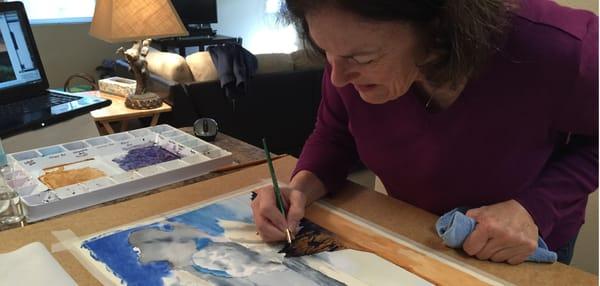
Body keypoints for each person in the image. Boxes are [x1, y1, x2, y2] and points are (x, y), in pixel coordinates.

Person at [251, 0, 598, 265]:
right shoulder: (347, 55)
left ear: (438, 30)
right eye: (326, 53)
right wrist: (298, 191)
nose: (338, 77)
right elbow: (335, 133)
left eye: (365, 59)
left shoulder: (561, 49)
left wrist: (535, 208)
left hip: (523, 240)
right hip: (418, 233)